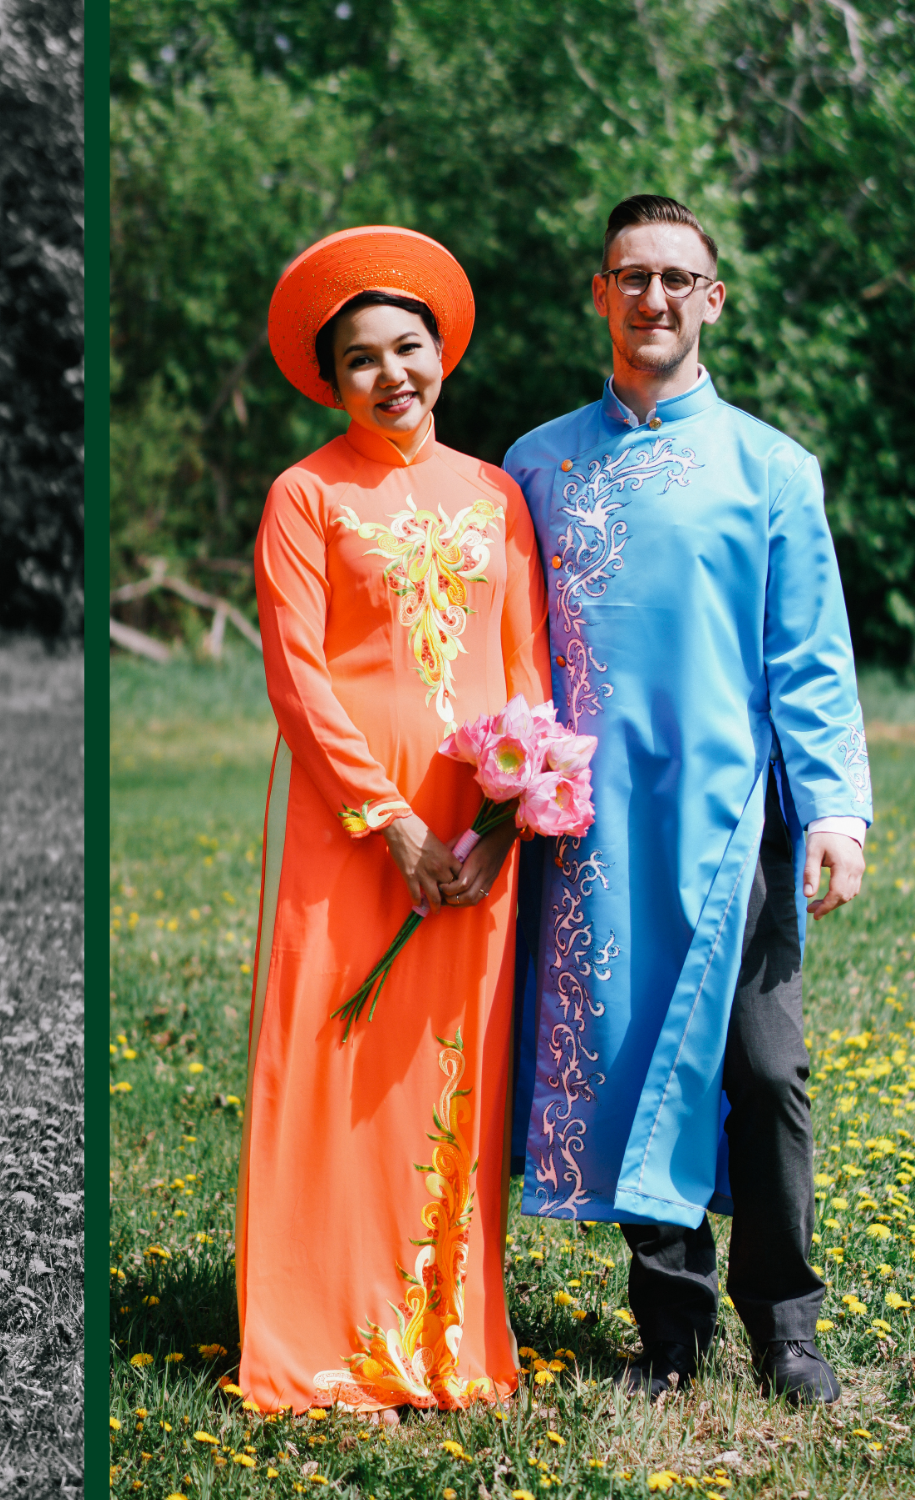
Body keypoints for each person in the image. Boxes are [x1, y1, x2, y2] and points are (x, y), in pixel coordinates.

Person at [505, 194, 871, 1404]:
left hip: (737, 826)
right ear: (598, 294)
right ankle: (670, 1326)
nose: (653, 299)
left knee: (765, 1073)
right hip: (595, 831)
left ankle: (785, 1319)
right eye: (631, 277)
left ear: (711, 299)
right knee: (624, 1057)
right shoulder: (537, 464)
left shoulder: (770, 466)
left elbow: (806, 653)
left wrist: (832, 808)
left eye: (677, 278)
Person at [238, 226, 544, 1417]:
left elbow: (526, 673)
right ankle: (322, 1331)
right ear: (329, 377)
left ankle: (444, 1330)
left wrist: (502, 827)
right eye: (359, 358)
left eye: (405, 348)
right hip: (351, 829)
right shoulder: (303, 496)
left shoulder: (494, 494)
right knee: (334, 1064)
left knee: (447, 1070)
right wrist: (392, 826)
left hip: (475, 842)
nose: (389, 375)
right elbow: (300, 680)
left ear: (440, 354)